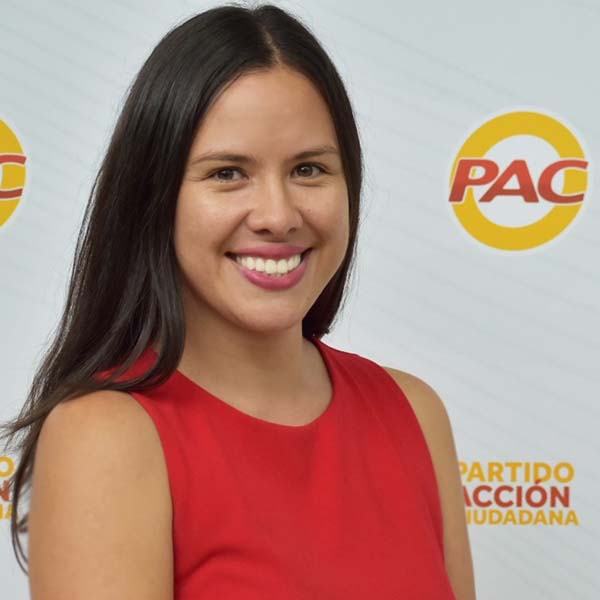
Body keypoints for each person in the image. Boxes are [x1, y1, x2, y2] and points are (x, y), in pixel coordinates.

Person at [0, 3, 475, 599]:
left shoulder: (413, 413)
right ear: (155, 196)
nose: (278, 215)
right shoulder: (105, 437)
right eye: (228, 173)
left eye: (308, 169)